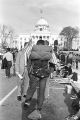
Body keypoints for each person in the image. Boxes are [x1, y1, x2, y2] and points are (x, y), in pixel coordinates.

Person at [24, 40, 52, 119]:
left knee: (31, 88)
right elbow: (53, 62)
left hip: (34, 73)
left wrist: (30, 73)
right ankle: (39, 108)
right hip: (44, 74)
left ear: (37, 45)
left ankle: (27, 101)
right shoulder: (49, 51)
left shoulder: (32, 51)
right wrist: (49, 71)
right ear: (43, 45)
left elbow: (28, 62)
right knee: (41, 91)